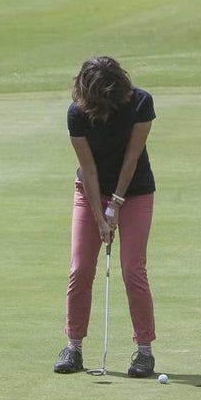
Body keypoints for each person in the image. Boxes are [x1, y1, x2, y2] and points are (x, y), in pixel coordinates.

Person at [54, 56, 158, 377]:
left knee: (133, 269)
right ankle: (73, 348)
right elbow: (88, 170)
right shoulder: (77, 114)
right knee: (80, 268)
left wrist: (116, 202)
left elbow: (131, 157)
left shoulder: (140, 103)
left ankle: (144, 351)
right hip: (91, 191)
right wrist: (100, 217)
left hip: (135, 191)